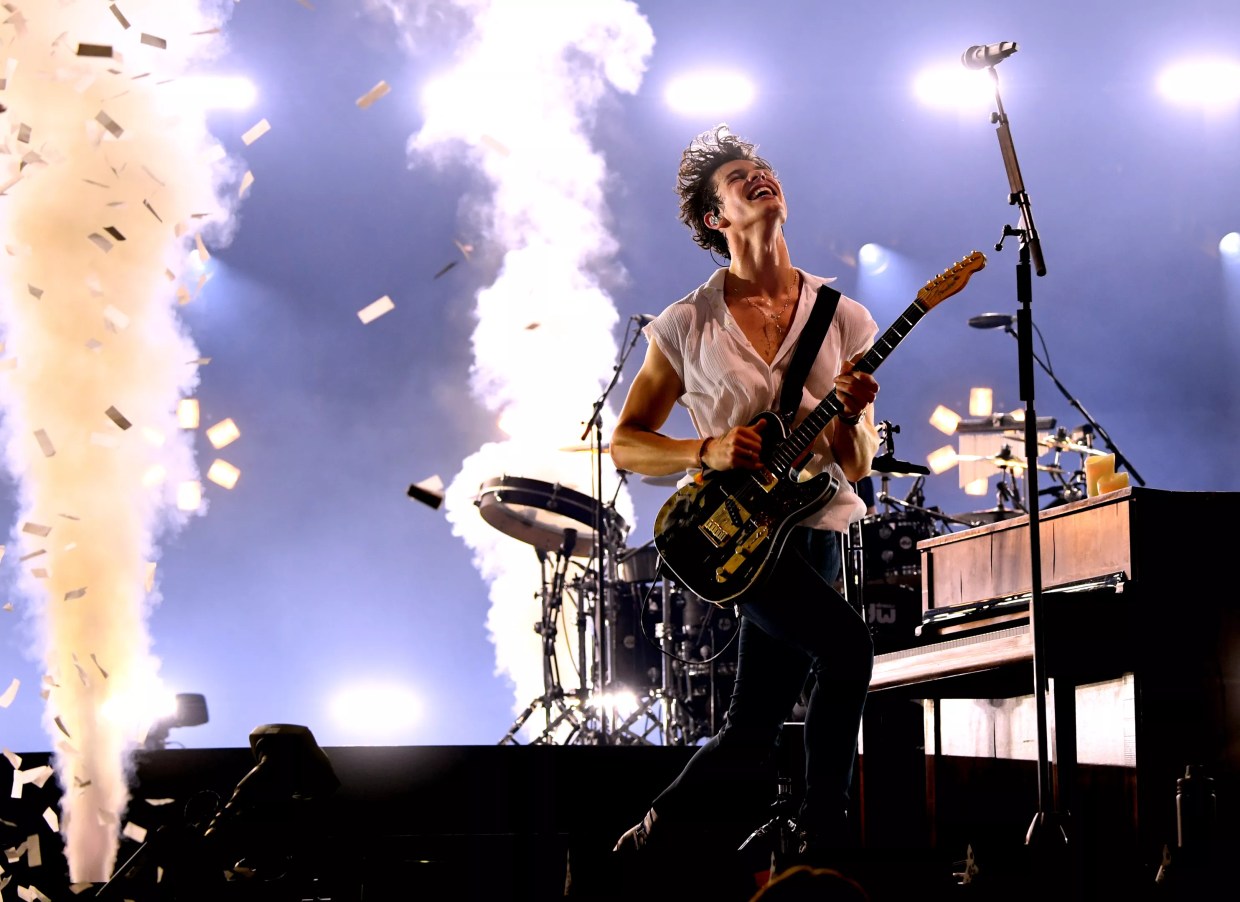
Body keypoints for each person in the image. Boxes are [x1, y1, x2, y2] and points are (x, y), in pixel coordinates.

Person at [609, 125, 880, 864]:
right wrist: (706, 449)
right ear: (715, 216)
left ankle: (644, 843)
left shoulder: (843, 316)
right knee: (848, 649)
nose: (760, 175)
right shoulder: (685, 324)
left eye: (763, 167)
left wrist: (849, 414)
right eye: (739, 176)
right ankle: (824, 830)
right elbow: (627, 442)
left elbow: (856, 466)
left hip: (817, 529)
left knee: (751, 730)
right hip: (739, 540)